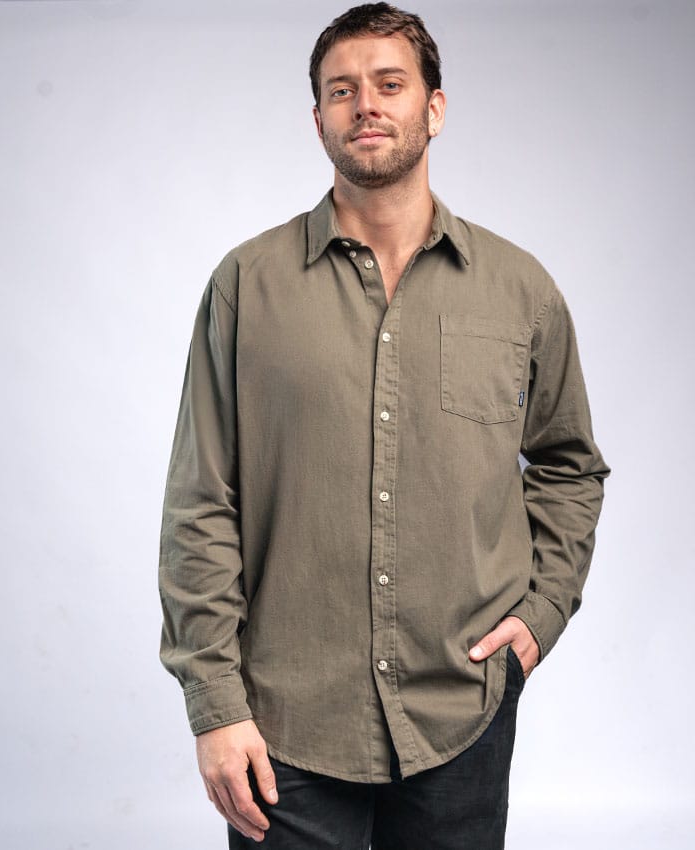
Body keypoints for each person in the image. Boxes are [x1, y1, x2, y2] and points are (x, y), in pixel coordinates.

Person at [158, 4, 609, 847]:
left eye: (389, 84)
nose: (365, 103)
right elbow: (200, 501)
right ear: (318, 119)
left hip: (463, 707)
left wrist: (543, 612)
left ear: (433, 109)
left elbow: (569, 465)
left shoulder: (521, 291)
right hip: (281, 723)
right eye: (342, 90)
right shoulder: (246, 285)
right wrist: (215, 705)